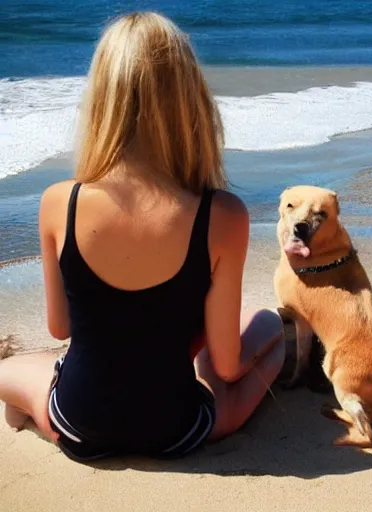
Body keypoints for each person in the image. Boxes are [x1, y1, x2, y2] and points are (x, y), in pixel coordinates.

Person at [0, 12, 285, 462]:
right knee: (269, 327)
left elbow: (61, 327)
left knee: (14, 371)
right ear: (191, 103)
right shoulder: (223, 215)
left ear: (101, 102)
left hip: (76, 421)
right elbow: (229, 367)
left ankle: (33, 411)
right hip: (176, 429)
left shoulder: (60, 202)